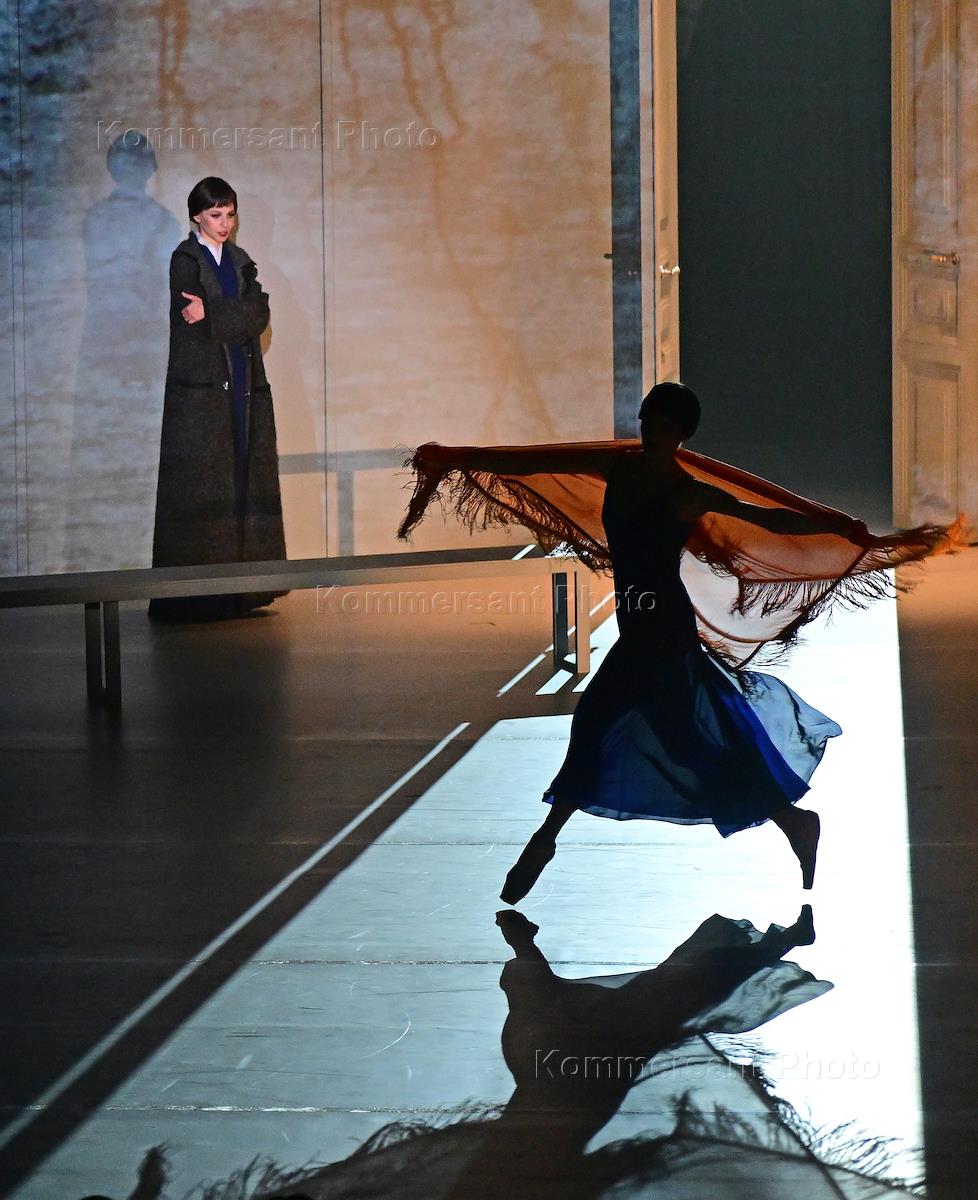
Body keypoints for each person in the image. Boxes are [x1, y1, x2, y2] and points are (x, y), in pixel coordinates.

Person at [398, 382, 964, 901]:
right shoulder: (618, 467)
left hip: (662, 628)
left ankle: (545, 840)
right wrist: (458, 457)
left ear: (681, 435)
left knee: (601, 721)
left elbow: (769, 521)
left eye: (665, 426)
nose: (652, 432)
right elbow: (536, 461)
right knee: (683, 738)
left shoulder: (686, 493)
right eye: (649, 421)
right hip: (641, 621)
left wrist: (838, 528)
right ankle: (792, 821)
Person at [148, 177, 287, 620]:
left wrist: (216, 312)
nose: (224, 223)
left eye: (229, 214)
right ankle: (200, 598)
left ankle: (242, 593)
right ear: (196, 216)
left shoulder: (241, 262)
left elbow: (259, 314)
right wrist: (230, 316)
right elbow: (192, 317)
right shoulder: (185, 260)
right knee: (206, 492)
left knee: (243, 486)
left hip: (243, 385)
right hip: (203, 396)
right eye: (215, 215)